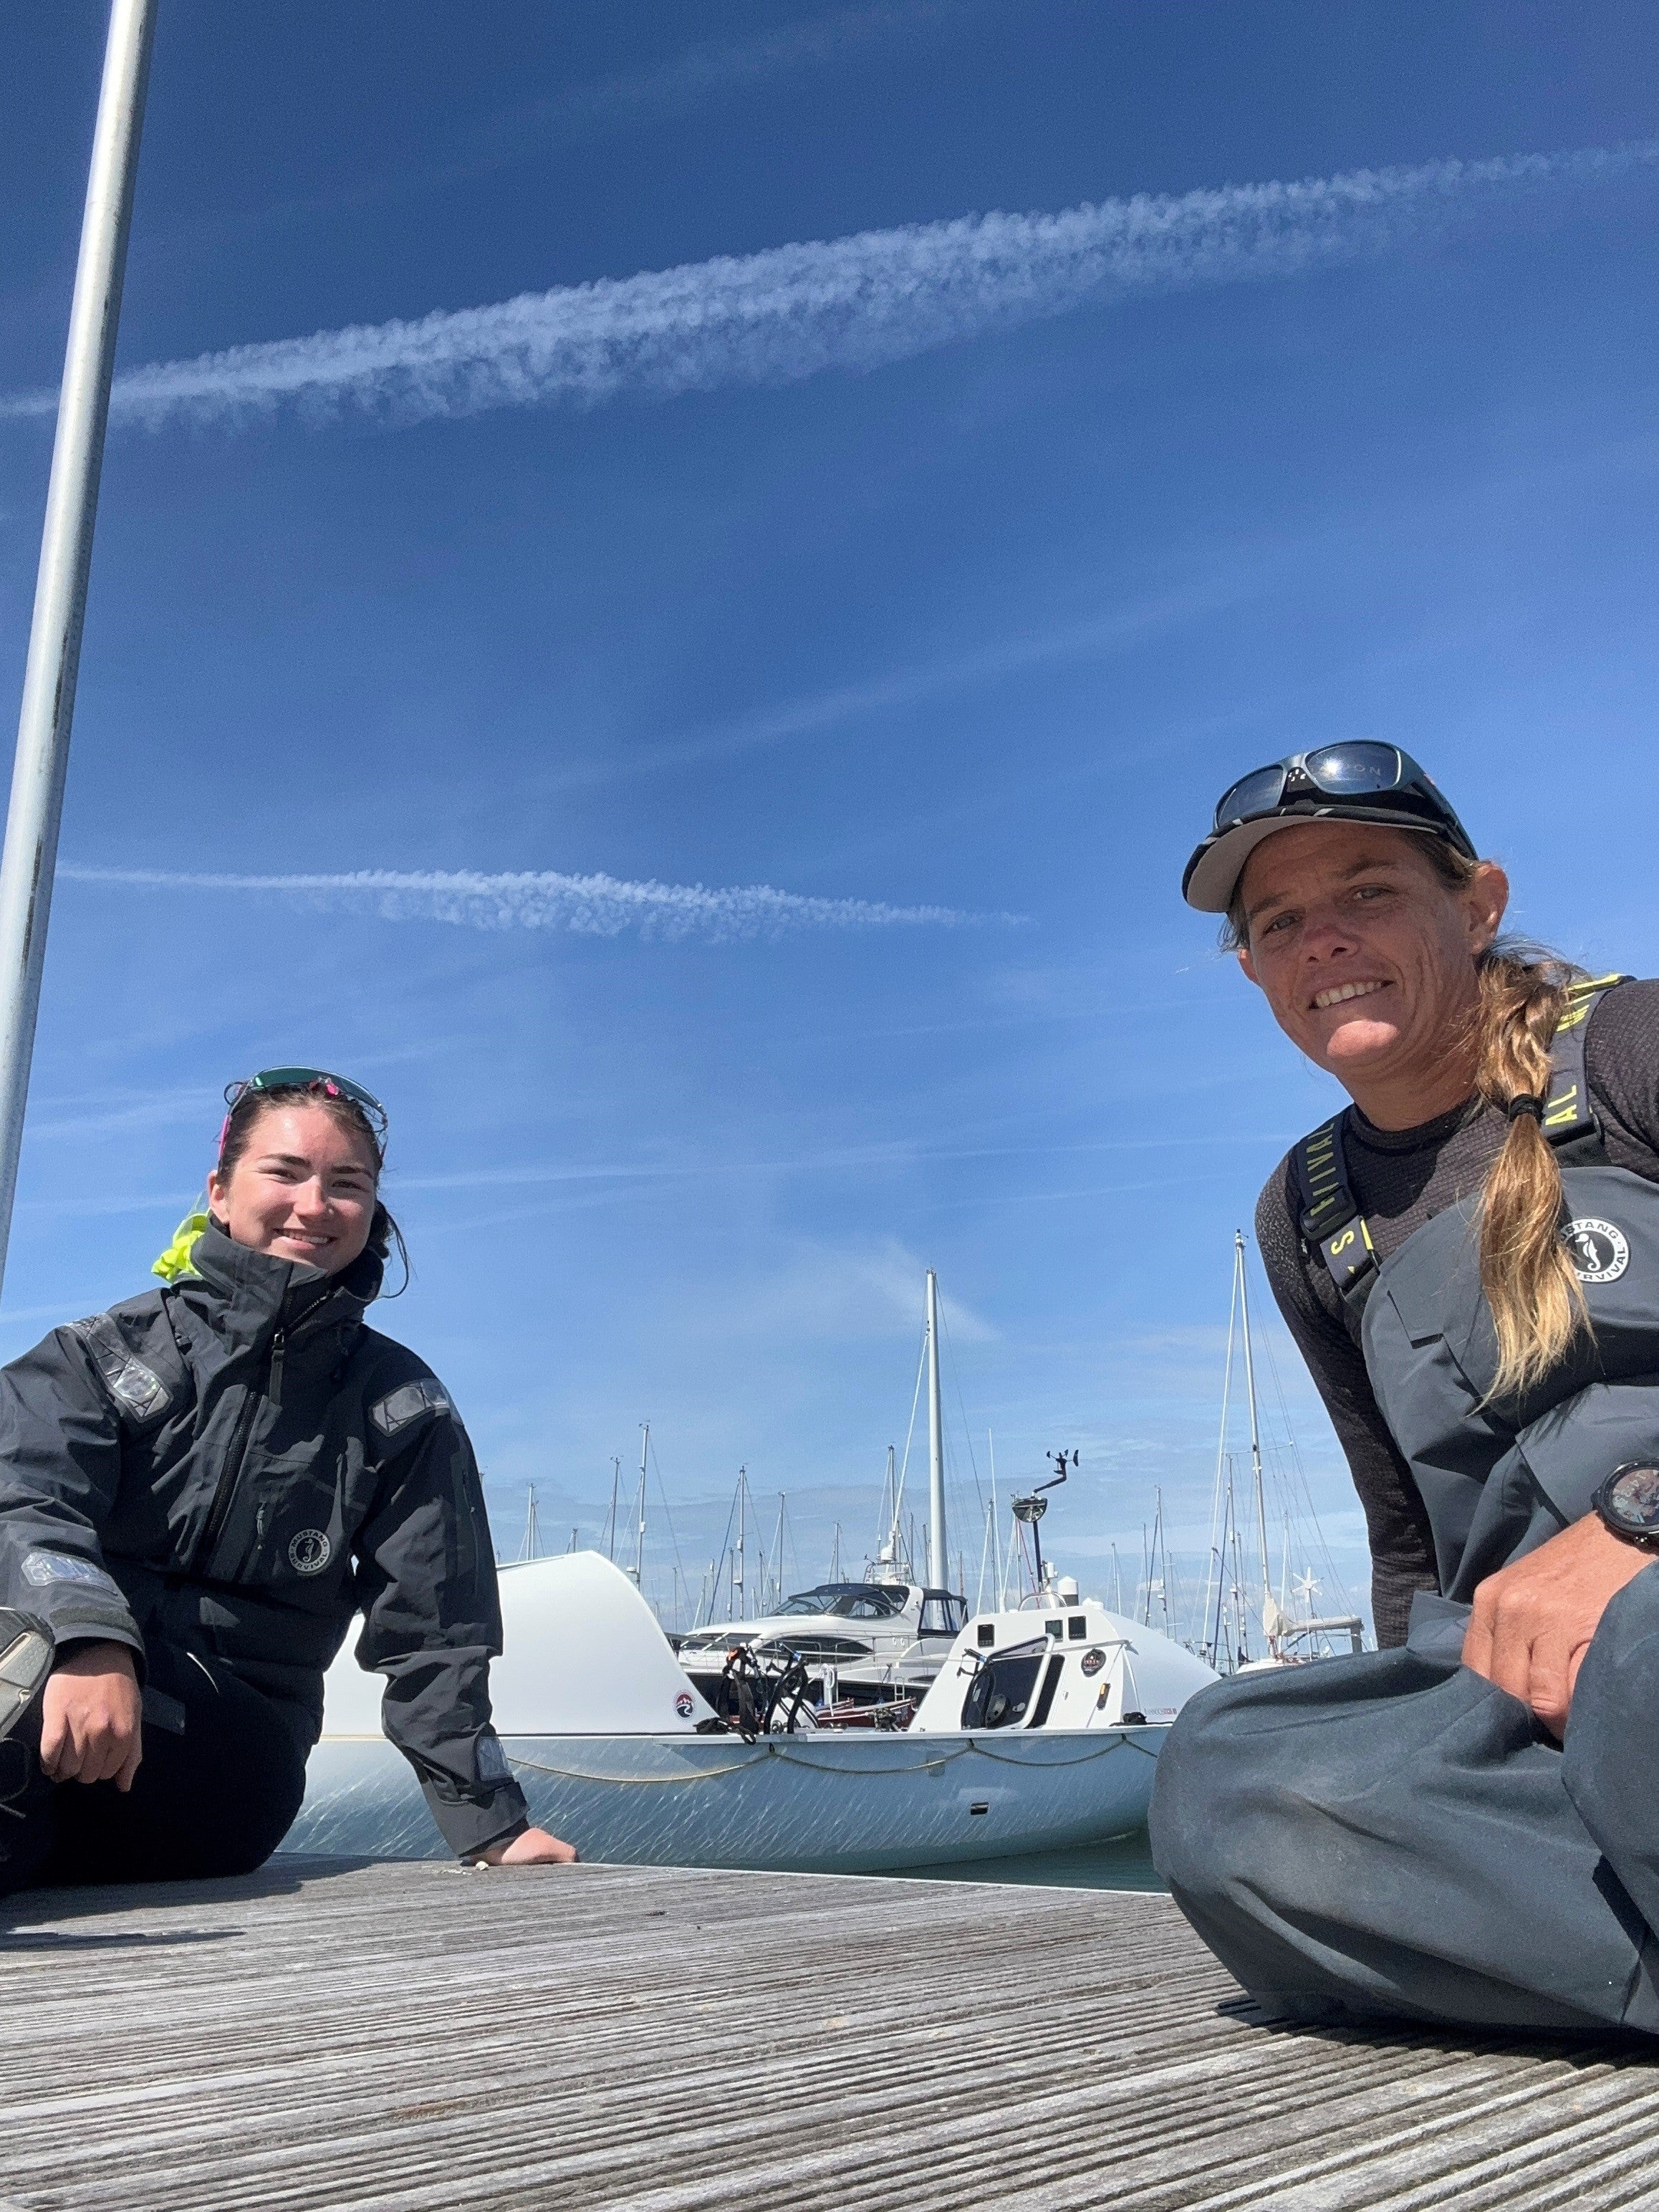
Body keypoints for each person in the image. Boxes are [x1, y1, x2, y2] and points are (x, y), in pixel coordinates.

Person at [1148, 745, 1659, 2034]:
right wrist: (1422, 1735)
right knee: (1228, 1779)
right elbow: (1408, 1543)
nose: (1323, 939)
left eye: (1368, 891)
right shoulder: (1308, 1214)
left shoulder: (1633, 1048)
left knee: (1644, 1662)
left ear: (1478, 904)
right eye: (1278, 922)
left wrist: (1638, 1527)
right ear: (1254, 971)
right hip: (1528, 1699)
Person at [0, 1067, 575, 1892]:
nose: (314, 1204)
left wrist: (494, 1822)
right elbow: (24, 1501)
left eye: (347, 1183)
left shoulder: (402, 1408)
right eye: (286, 1171)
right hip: (54, 1700)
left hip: (226, 1759)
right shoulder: (95, 1357)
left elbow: (437, 1630)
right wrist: (92, 1637)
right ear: (220, 1191)